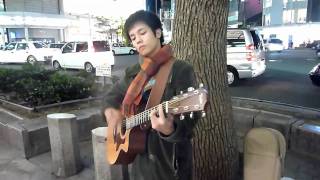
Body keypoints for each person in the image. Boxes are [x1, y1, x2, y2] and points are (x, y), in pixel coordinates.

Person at [102, 10, 199, 180]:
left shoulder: (180, 69)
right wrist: (111, 112)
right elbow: (111, 97)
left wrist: (170, 130)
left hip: (170, 163)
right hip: (139, 159)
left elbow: (191, 118)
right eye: (133, 37)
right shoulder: (133, 73)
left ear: (158, 33)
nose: (138, 39)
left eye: (142, 32)